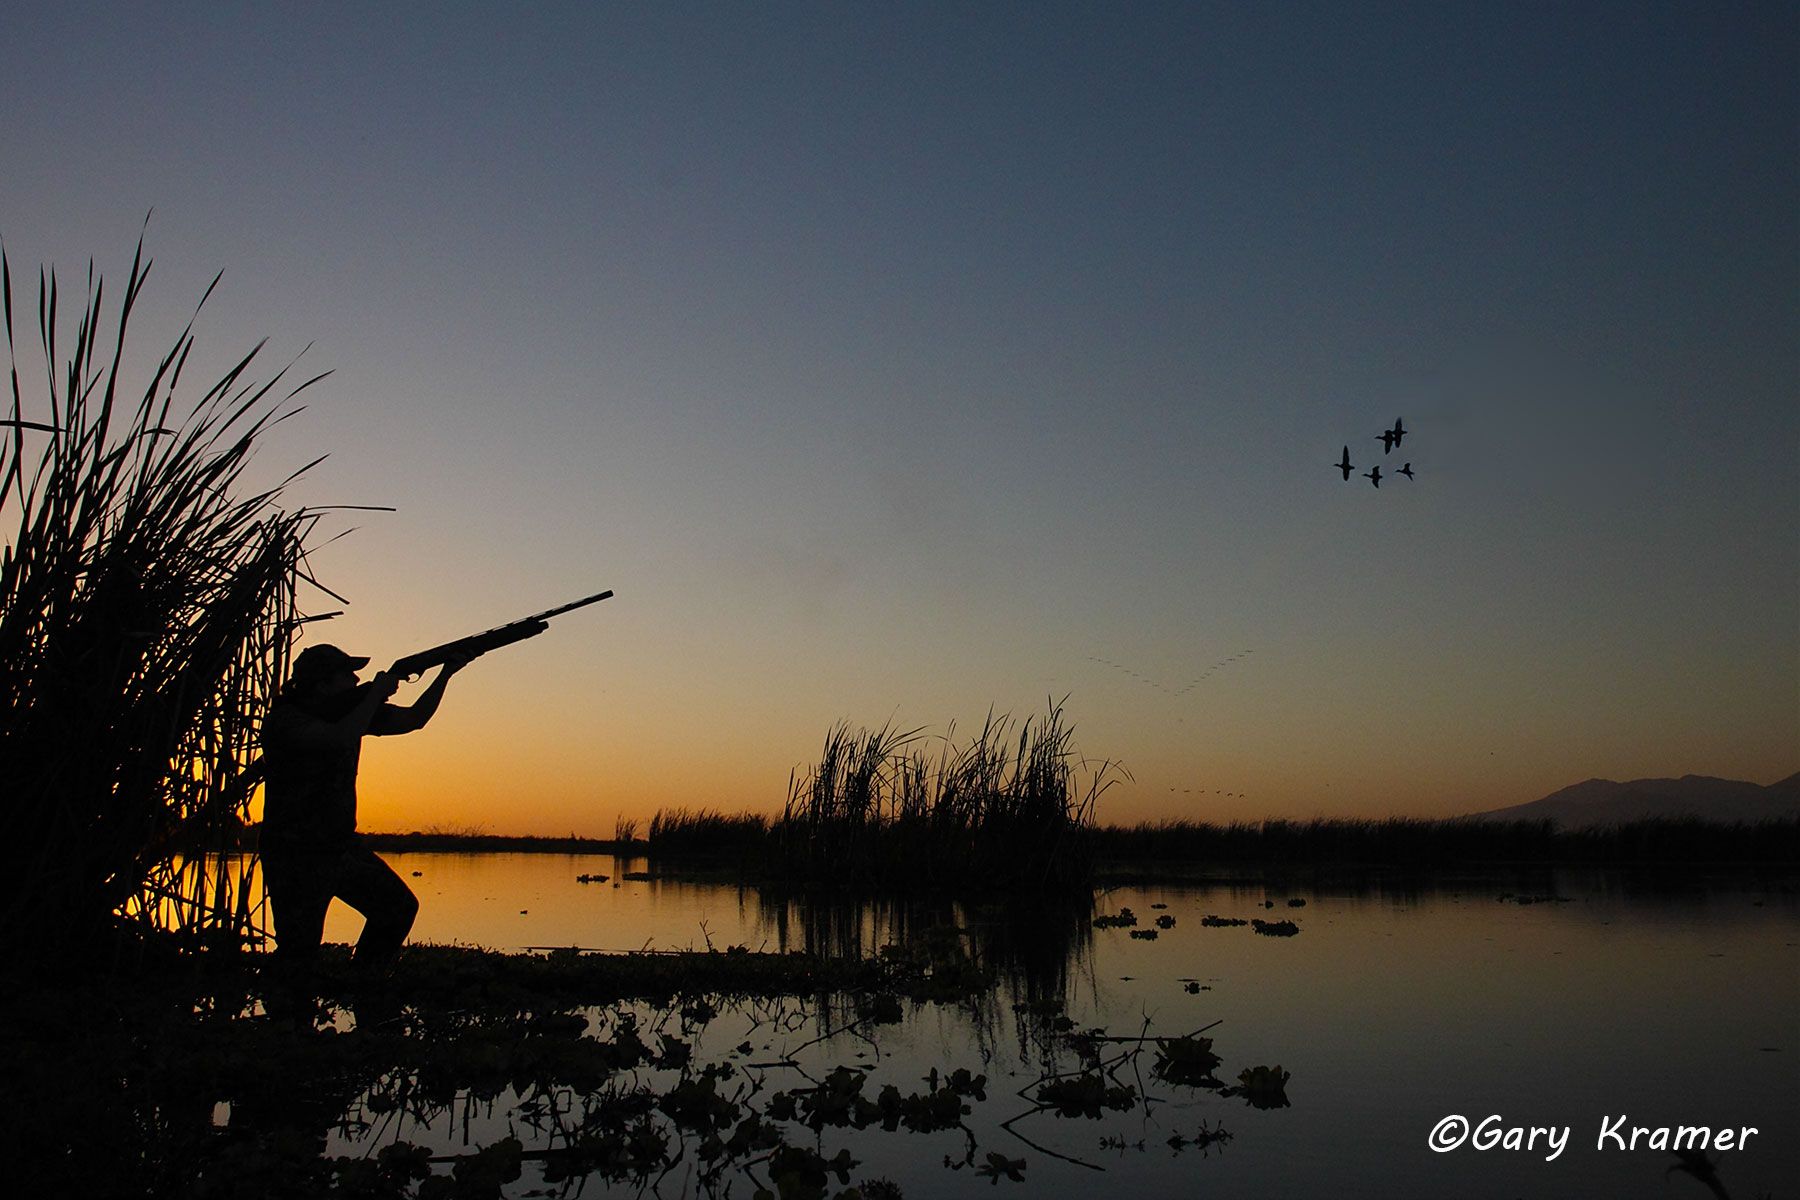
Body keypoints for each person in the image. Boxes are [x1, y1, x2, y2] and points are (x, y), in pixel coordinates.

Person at [259, 643, 468, 974]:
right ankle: (288, 1003)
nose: (356, 680)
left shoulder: (352, 712)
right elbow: (337, 738)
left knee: (397, 908)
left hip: (339, 845)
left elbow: (415, 719)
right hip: (295, 852)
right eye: (347, 674)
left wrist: (446, 673)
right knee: (298, 952)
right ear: (322, 683)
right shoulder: (286, 719)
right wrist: (374, 695)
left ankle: (364, 982)